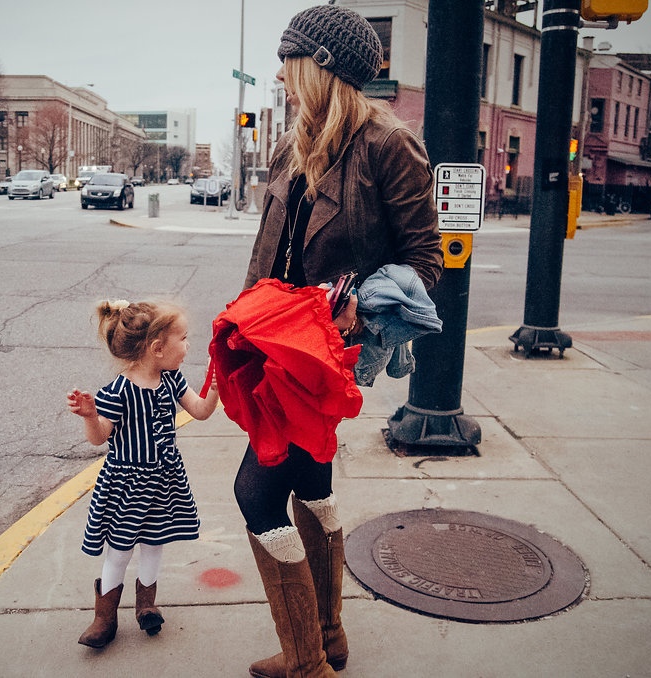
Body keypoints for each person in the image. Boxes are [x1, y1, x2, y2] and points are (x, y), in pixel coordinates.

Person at [235, 5, 443, 677]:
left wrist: (362, 301)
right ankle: (326, 634)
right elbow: (272, 248)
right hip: (274, 343)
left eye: (290, 59)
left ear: (322, 67)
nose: (280, 73)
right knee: (309, 482)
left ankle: (305, 662)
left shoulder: (388, 144)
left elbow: (426, 261)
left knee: (257, 494)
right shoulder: (292, 141)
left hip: (326, 352)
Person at [67, 299, 219, 649]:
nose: (188, 345)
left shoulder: (172, 379)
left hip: (163, 482)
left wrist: (215, 386)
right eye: (183, 338)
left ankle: (147, 606)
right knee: (119, 551)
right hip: (126, 486)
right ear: (157, 348)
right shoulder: (119, 391)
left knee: (154, 544)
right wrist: (91, 416)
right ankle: (104, 617)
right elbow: (99, 438)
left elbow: (200, 411)